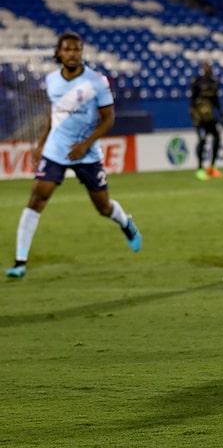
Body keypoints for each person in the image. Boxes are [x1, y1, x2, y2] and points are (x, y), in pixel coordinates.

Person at [6, 31, 142, 279]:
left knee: (102, 207)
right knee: (37, 198)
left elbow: (109, 118)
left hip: (87, 154)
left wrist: (85, 144)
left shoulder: (96, 82)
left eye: (76, 49)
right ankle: (20, 261)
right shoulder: (51, 80)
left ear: (81, 53)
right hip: (56, 150)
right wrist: (41, 144)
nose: (72, 54)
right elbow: (55, 114)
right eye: (67, 49)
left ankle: (125, 222)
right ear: (59, 52)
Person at [189, 61, 223, 180]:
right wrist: (194, 117)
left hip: (210, 117)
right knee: (202, 140)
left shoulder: (214, 82)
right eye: (205, 66)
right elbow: (192, 101)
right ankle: (200, 169)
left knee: (217, 138)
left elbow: (216, 100)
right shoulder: (197, 81)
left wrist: (221, 114)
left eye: (209, 66)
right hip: (200, 117)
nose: (207, 68)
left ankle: (212, 167)